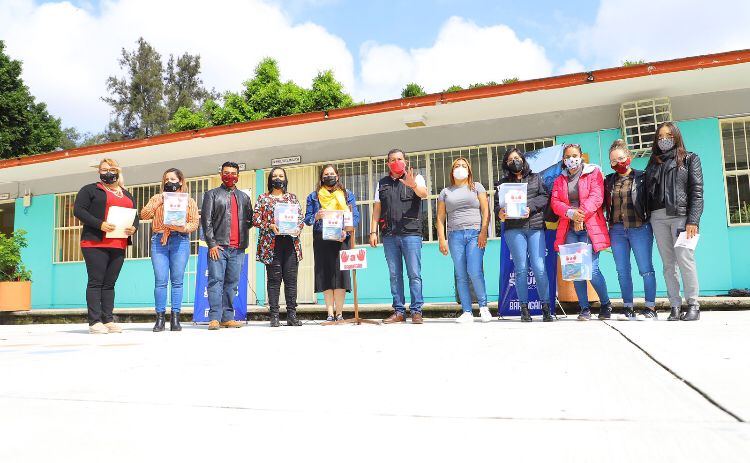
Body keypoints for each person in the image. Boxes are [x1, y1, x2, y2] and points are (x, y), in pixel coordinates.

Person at [646, 122, 704, 321]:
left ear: (676, 136)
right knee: (668, 264)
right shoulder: (653, 162)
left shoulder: (690, 159)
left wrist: (693, 220)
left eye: (668, 136)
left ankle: (693, 304)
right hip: (657, 218)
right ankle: (675, 305)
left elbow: (697, 192)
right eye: (660, 137)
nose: (664, 140)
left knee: (685, 259)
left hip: (681, 217)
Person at [73, 158, 138, 334]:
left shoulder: (127, 194)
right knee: (96, 282)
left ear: (118, 171)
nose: (108, 173)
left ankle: (108, 319)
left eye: (111, 169)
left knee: (110, 284)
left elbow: (135, 216)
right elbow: (78, 210)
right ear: (99, 172)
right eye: (104, 169)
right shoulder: (90, 190)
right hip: (95, 242)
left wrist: (134, 228)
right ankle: (94, 322)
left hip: (118, 243)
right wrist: (99, 224)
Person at [550, 144, 612, 321]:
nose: (572, 159)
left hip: (590, 227)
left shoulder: (594, 173)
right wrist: (571, 214)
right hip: (569, 230)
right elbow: (555, 202)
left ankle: (606, 303)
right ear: (563, 160)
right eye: (568, 157)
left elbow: (597, 197)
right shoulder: (559, 179)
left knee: (592, 269)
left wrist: (580, 217)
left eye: (575, 155)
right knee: (576, 270)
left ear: (581, 156)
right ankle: (584, 308)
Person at [369, 149, 429, 324]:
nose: (396, 162)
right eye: (393, 160)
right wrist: (373, 231)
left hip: (411, 234)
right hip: (389, 235)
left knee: (414, 274)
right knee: (395, 275)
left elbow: (424, 194)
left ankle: (416, 311)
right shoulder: (382, 183)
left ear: (405, 161)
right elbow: (377, 209)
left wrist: (413, 185)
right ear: (388, 163)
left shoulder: (416, 178)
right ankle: (399, 311)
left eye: (400, 159)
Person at [494, 148, 553, 322]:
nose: (515, 161)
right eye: (510, 160)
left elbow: (545, 196)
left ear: (523, 159)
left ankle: (546, 308)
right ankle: (524, 310)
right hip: (513, 228)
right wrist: (500, 212)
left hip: (535, 226)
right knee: (521, 268)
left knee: (539, 267)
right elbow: (497, 205)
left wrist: (530, 208)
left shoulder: (536, 178)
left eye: (517, 158)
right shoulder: (503, 184)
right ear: (506, 164)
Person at [140, 168, 200, 332]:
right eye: (166, 180)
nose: (169, 182)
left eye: (173, 179)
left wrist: (183, 228)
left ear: (180, 181)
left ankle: (175, 318)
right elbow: (144, 215)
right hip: (159, 240)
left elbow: (194, 223)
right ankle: (160, 319)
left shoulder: (189, 201)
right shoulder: (157, 198)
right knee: (160, 281)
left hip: (180, 240)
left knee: (177, 281)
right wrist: (159, 201)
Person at [604, 140, 657, 320]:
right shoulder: (608, 181)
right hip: (617, 231)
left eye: (621, 158)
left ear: (629, 157)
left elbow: (652, 200)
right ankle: (628, 308)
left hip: (640, 228)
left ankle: (650, 308)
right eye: (613, 161)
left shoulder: (642, 177)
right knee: (622, 270)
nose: (618, 163)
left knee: (646, 269)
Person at [436, 158, 492, 323]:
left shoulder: (477, 187)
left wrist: (484, 232)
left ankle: (483, 307)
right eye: (457, 166)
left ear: (469, 170)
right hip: (455, 236)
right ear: (452, 171)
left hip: (475, 234)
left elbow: (486, 211)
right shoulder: (445, 192)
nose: (460, 168)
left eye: (463, 166)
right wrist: (442, 239)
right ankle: (467, 311)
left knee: (474, 271)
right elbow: (440, 218)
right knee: (460, 274)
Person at [201, 161, 253, 330]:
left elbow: (249, 221)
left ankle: (227, 317)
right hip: (219, 247)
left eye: (233, 173)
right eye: (226, 173)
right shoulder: (212, 194)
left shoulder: (244, 197)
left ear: (238, 176)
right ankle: (214, 318)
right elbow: (206, 221)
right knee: (215, 281)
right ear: (221, 174)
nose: (230, 176)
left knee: (232, 283)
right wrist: (212, 244)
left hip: (238, 248)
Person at [304, 165, 360, 322]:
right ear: (322, 178)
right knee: (325, 274)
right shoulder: (313, 196)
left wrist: (346, 232)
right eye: (326, 174)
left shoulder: (347, 194)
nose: (329, 176)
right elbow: (307, 219)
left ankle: (340, 313)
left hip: (341, 238)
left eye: (332, 174)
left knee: (341, 275)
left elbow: (355, 217)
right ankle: (329, 314)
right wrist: (316, 216)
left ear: (337, 176)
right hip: (321, 239)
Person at [253, 167, 304, 327]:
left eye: (281, 176)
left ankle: (292, 315)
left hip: (290, 243)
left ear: (285, 179)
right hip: (271, 244)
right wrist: (270, 225)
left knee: (291, 281)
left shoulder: (292, 198)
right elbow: (255, 219)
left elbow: (300, 218)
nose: (278, 178)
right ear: (270, 180)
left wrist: (298, 227)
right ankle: (274, 316)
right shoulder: (263, 198)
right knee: (274, 281)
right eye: (274, 176)